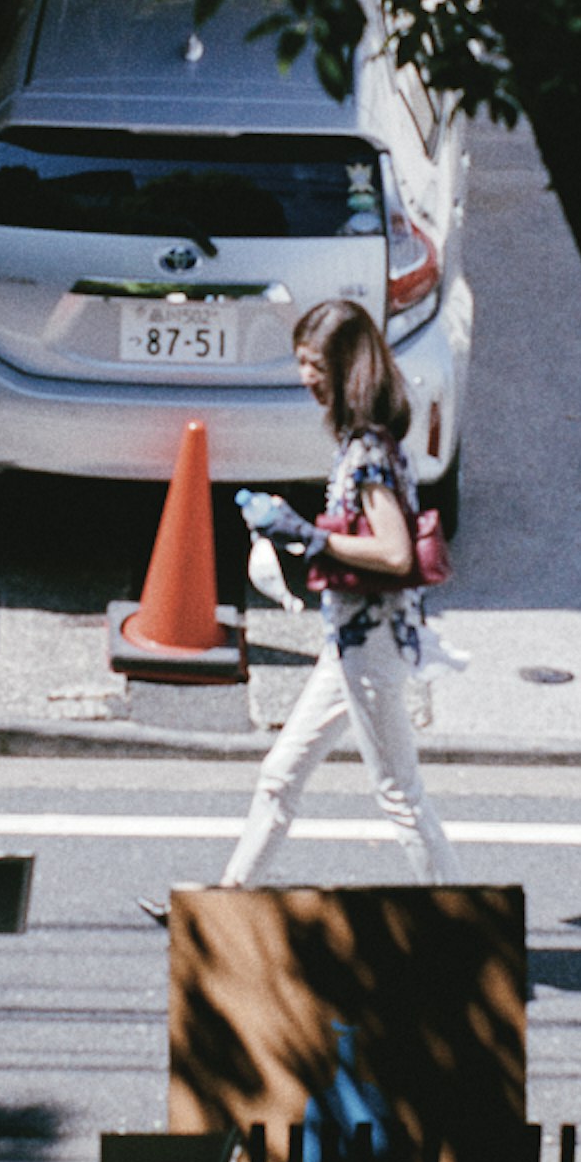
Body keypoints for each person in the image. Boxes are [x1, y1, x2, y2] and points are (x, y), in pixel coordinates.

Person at [220, 297, 457, 887]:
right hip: (350, 641)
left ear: (347, 368)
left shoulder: (369, 453)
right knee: (279, 776)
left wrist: (306, 535)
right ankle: (223, 903)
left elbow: (395, 552)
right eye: (301, 364)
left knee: (398, 793)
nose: (306, 378)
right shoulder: (364, 445)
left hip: (369, 645)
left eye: (316, 366)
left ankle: (462, 926)